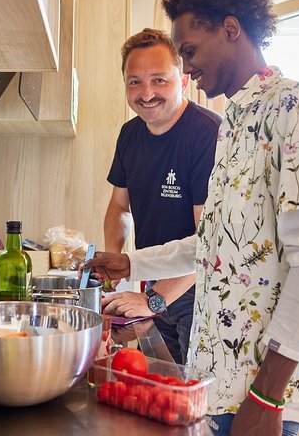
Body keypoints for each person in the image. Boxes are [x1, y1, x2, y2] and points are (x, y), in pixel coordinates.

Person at [85, 0, 299, 436]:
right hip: (225, 370)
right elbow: (219, 242)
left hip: (264, 382)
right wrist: (132, 265)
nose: (186, 65)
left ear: (231, 29)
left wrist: (266, 395)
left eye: (190, 50)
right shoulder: (235, 124)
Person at [101, 28, 221, 364]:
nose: (146, 93)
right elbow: (119, 206)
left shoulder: (208, 136)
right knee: (165, 390)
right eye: (135, 81)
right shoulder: (130, 134)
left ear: (183, 81)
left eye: (159, 80)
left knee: (196, 397)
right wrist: (115, 265)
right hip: (153, 285)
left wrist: (155, 300)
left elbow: (209, 243)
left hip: (198, 291)